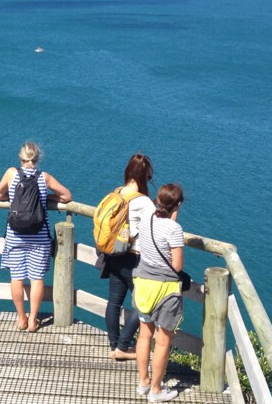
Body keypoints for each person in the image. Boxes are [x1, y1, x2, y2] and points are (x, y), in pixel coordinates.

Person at [0, 142, 72, 332]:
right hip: (39, 236)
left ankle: (21, 318)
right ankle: (33, 321)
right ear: (37, 159)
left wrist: (13, 199)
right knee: (37, 278)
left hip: (15, 235)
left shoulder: (11, 173)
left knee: (17, 278)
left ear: (20, 158)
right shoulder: (44, 178)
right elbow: (67, 196)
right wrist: (47, 198)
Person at [133, 184, 185, 402]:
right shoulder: (175, 230)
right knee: (162, 341)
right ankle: (156, 390)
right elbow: (177, 265)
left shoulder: (146, 220)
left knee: (145, 335)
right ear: (178, 205)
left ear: (157, 201)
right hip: (165, 290)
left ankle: (144, 382)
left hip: (143, 282)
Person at [103, 153, 156, 361]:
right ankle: (123, 347)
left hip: (114, 255)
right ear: (145, 176)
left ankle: (115, 344)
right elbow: (156, 227)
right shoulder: (143, 202)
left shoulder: (116, 193)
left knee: (114, 303)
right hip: (134, 258)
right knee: (144, 304)